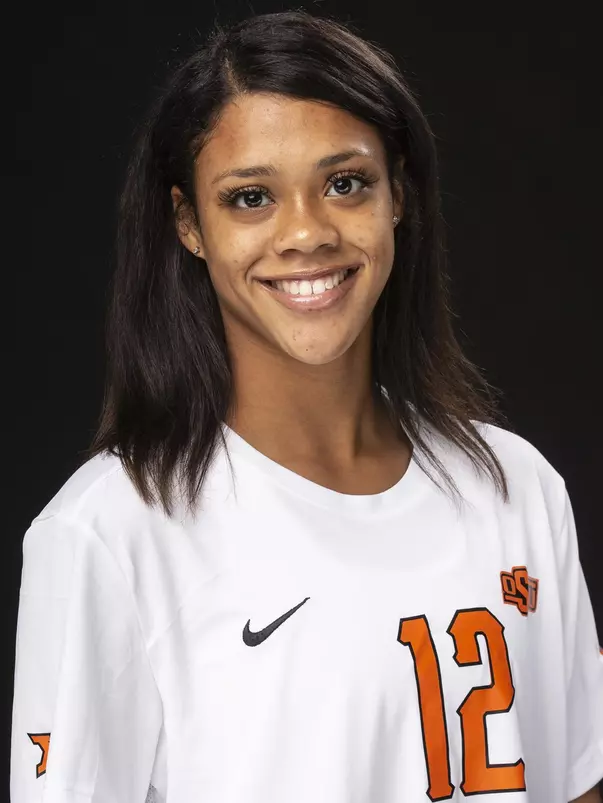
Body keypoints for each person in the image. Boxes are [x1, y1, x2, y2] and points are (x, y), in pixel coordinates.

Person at [10, 9, 603, 803]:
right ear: (188, 222)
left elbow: (572, 783)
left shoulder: (515, 487)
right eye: (250, 197)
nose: (305, 233)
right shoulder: (109, 534)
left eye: (344, 183)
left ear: (399, 194)